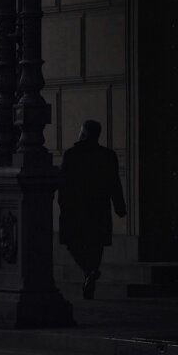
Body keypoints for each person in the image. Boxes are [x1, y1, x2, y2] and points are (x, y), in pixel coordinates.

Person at [58, 119, 127, 300]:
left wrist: (62, 204)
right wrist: (119, 205)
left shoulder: (72, 154)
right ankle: (91, 271)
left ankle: (88, 271)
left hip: (76, 207)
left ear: (83, 134)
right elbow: (115, 184)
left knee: (73, 242)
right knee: (96, 244)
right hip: (99, 207)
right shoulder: (107, 155)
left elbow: (64, 183)